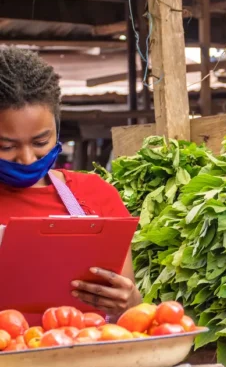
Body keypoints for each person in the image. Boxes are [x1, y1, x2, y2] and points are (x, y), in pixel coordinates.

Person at [0, 46, 142, 316]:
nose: (28, 159)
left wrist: (131, 300)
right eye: (6, 146)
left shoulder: (96, 196)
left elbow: (128, 312)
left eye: (41, 141)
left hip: (85, 352)